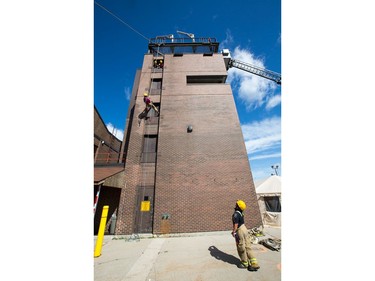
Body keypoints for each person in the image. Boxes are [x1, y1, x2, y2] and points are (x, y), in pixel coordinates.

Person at [231, 200, 260, 271]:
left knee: (241, 246)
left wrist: (234, 232)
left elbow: (236, 224)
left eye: (236, 204)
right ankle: (254, 262)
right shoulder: (241, 213)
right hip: (244, 229)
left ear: (238, 206)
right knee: (248, 246)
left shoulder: (236, 214)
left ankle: (245, 263)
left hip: (240, 230)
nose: (235, 205)